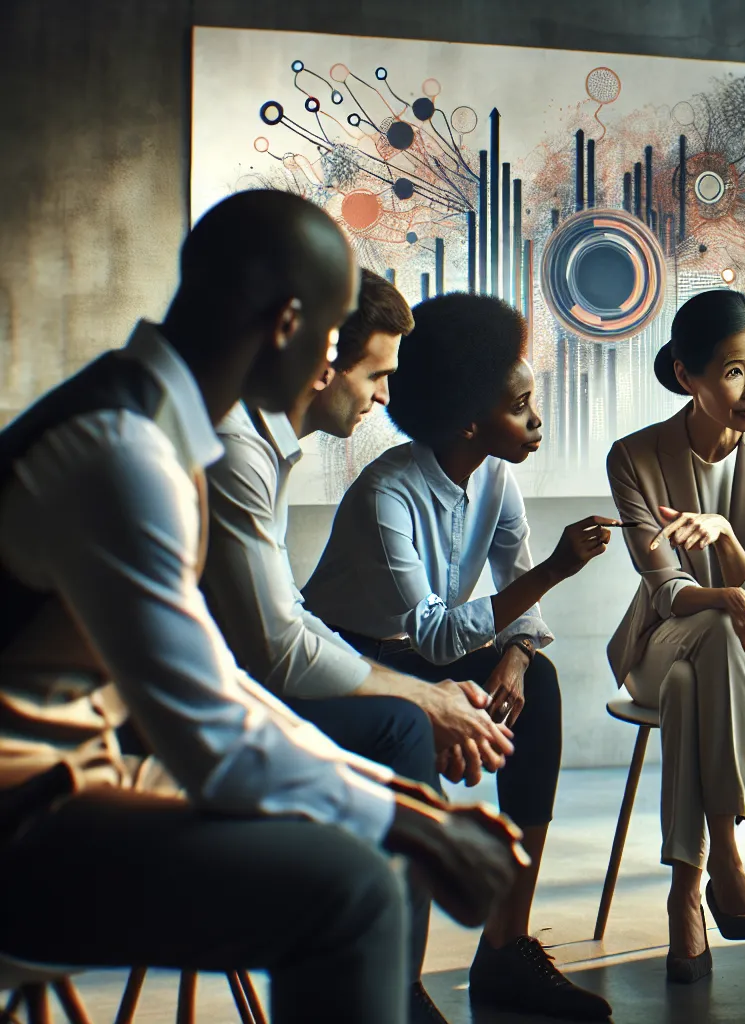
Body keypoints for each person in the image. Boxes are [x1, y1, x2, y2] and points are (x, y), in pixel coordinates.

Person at [0, 190, 524, 1022]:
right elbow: (212, 735)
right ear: (287, 322)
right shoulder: (121, 454)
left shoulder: (150, 433)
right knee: (350, 888)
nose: (331, 366)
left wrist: (394, 799)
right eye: (329, 338)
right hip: (24, 820)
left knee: (362, 843)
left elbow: (220, 680)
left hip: (78, 781)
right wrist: (409, 825)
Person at [200, 268, 514, 1023]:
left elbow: (288, 618)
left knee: (424, 710)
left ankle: (484, 949)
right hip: (198, 708)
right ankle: (391, 988)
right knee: (399, 723)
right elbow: (278, 648)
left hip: (239, 679)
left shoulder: (264, 447)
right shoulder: (238, 452)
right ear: (323, 357)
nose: (382, 397)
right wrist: (422, 696)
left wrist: (441, 694)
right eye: (376, 373)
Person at [303, 292, 615, 1020]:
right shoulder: (388, 493)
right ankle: (399, 982)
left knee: (537, 683)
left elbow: (515, 593)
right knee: (408, 745)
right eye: (521, 406)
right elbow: (439, 634)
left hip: (424, 652)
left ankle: (506, 949)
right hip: (355, 664)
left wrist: (515, 656)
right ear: (472, 420)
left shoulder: (496, 476)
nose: (537, 419)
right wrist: (558, 570)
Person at [606, 289, 745, 983]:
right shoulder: (634, 458)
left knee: (692, 680)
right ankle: (729, 856)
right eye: (734, 371)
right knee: (707, 630)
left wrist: (730, 542)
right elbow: (668, 592)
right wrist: (727, 597)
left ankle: (686, 891)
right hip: (667, 638)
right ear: (686, 375)